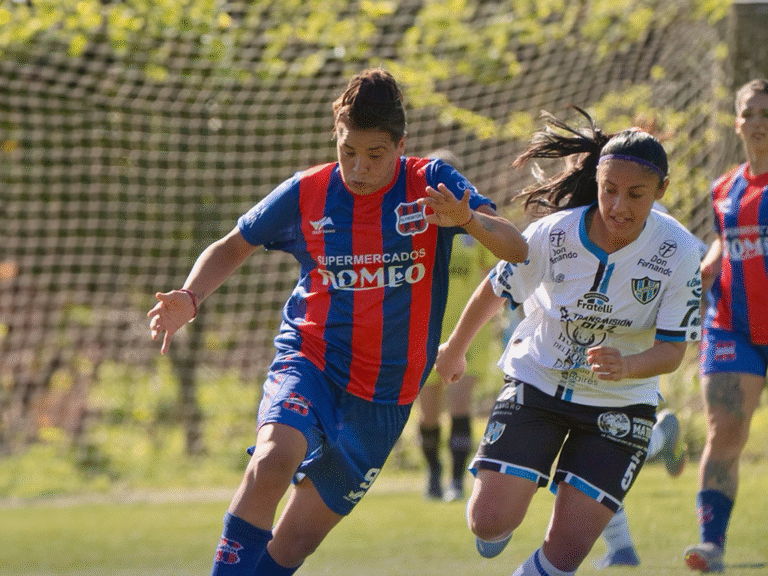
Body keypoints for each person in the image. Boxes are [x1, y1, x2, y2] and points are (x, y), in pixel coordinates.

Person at [147, 68, 527, 576]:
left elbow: (516, 248)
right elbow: (233, 246)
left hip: (388, 392)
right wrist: (190, 297)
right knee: (272, 459)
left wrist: (467, 221)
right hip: (313, 360)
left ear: (401, 146)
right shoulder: (308, 191)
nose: (359, 167)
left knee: (295, 543)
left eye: (375, 155)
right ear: (336, 137)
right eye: (348, 151)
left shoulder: (430, 182)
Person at [435, 107, 702, 576]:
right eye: (609, 190)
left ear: (661, 191)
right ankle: (501, 511)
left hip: (619, 403)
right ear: (596, 181)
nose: (618, 206)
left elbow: (673, 351)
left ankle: (652, 440)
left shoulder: (679, 252)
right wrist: (455, 348)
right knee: (487, 522)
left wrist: (628, 365)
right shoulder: (555, 233)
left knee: (567, 551)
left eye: (635, 194)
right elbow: (497, 287)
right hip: (538, 382)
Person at [684, 78, 768, 574]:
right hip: (731, 326)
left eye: (767, 114)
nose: (758, 123)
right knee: (725, 429)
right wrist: (710, 261)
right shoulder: (724, 188)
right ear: (736, 123)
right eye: (750, 113)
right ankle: (710, 544)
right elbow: (725, 236)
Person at [417, 149, 500, 503]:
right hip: (425, 330)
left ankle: (456, 480)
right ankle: (433, 475)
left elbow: (496, 273)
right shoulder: (415, 223)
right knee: (429, 412)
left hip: (468, 334)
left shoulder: (473, 225)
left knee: (460, 403)